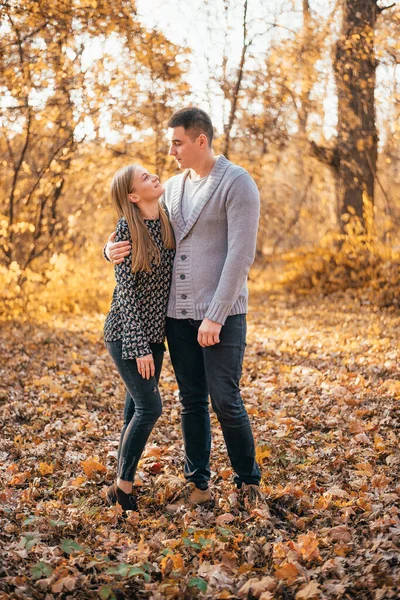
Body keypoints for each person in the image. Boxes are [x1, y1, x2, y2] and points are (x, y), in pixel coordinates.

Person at [105, 107, 262, 512]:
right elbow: (142, 229)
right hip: (177, 315)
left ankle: (248, 483)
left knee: (225, 399)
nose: (171, 150)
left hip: (221, 315)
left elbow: (240, 255)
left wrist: (216, 314)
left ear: (200, 141)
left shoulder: (237, 183)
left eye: (177, 142)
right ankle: (199, 486)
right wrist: (109, 251)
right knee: (191, 401)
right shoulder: (172, 188)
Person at [103, 163, 175, 512]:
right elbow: (126, 296)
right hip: (125, 334)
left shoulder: (167, 219)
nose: (154, 177)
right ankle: (123, 488)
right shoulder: (125, 231)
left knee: (135, 409)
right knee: (150, 407)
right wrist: (139, 347)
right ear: (133, 195)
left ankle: (119, 484)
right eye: (145, 178)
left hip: (155, 336)